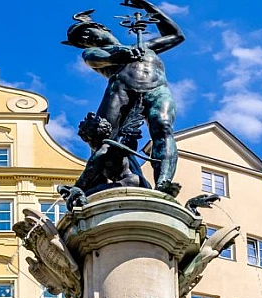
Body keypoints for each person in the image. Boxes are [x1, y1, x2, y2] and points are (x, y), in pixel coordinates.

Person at [63, 0, 185, 193]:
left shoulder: (147, 47)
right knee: (105, 141)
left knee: (162, 128)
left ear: (102, 28)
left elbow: (176, 36)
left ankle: (163, 182)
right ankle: (94, 183)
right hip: (120, 93)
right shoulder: (92, 52)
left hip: (157, 90)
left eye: (86, 31)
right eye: (81, 40)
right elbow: (99, 58)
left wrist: (148, 7)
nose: (85, 38)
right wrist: (121, 54)